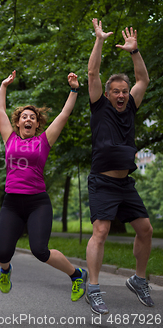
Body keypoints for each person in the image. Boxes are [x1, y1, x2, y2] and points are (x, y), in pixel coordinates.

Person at [0, 70, 88, 301]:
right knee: (2, 254)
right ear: (17, 123)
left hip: (37, 202)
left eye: (32, 118)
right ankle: (6, 270)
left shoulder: (44, 141)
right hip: (12, 203)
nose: (28, 119)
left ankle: (76, 275)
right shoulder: (10, 138)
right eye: (24, 117)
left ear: (37, 124)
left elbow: (64, 115)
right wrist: (4, 85)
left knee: (40, 250)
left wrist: (74, 90)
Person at [85, 19, 153, 314]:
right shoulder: (99, 106)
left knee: (146, 230)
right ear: (108, 93)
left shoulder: (132, 106)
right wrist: (99, 40)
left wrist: (134, 52)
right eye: (117, 91)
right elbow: (92, 72)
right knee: (100, 231)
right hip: (102, 181)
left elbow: (143, 81)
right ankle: (94, 287)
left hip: (126, 183)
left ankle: (138, 279)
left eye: (124, 90)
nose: (122, 94)